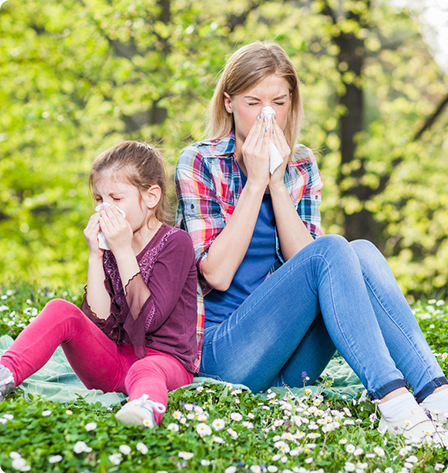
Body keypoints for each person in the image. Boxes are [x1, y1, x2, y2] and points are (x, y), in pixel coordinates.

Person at [175, 41, 448, 446]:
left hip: (286, 357)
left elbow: (318, 267)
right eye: (253, 102)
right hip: (222, 355)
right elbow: (215, 273)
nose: (268, 115)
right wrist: (254, 182)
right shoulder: (200, 162)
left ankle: (437, 397)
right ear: (229, 103)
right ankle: (392, 402)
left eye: (279, 102)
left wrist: (278, 183)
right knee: (336, 247)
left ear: (292, 103)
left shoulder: (300, 163)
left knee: (360, 253)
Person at [0, 141, 198, 428]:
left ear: (151, 196)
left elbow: (148, 321)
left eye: (116, 199)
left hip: (166, 364)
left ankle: (144, 407)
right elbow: (100, 323)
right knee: (60, 309)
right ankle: (6, 373)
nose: (105, 209)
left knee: (146, 368)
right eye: (98, 200)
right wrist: (96, 254)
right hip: (114, 365)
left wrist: (122, 250)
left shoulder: (175, 243)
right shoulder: (113, 244)